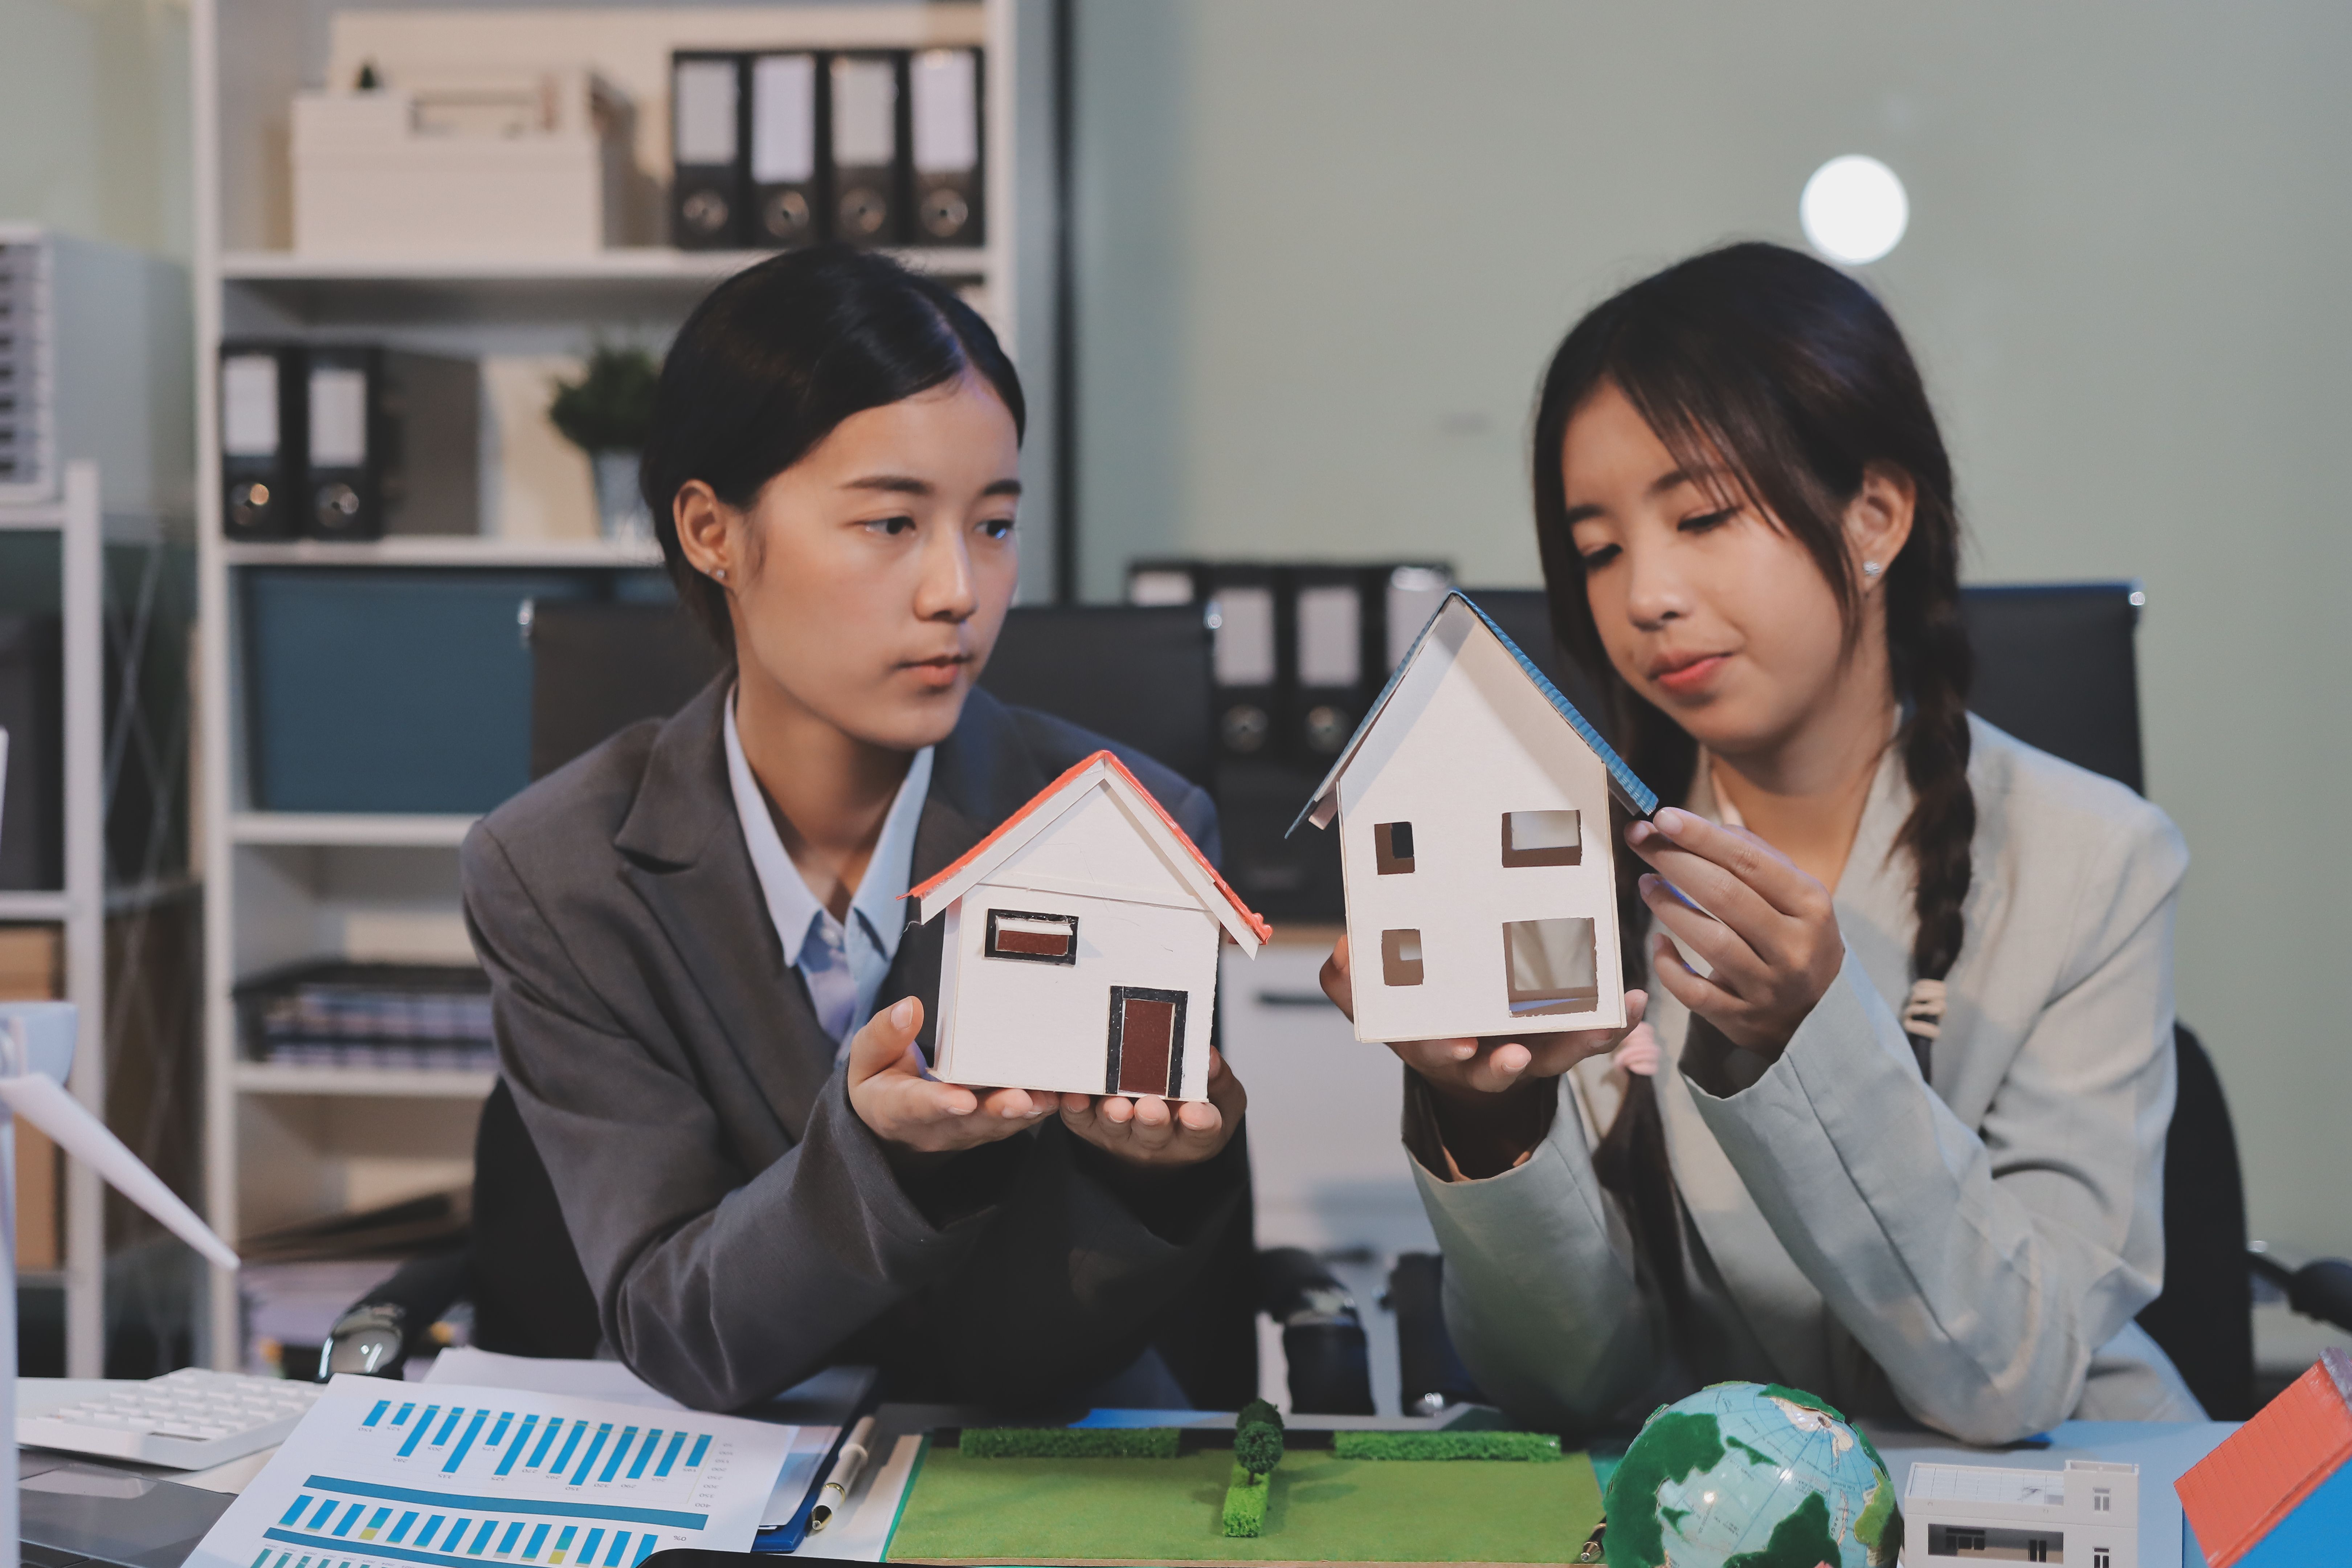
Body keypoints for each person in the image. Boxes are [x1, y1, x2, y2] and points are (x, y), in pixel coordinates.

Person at [1321, 241, 2198, 1444]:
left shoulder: (2096, 860)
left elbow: (2015, 1373)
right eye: (1599, 549)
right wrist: (1485, 1118)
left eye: (1702, 516)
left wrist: (1809, 1033)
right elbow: (1571, 1388)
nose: (1645, 596)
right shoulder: (1561, 858)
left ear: (1877, 515)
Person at [461, 246, 1253, 1413]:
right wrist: (881, 1160)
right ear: (711, 531)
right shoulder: (559, 871)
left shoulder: (1129, 833)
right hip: (727, 1469)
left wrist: (1148, 1185)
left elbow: (1039, 1355)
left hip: (1034, 1454)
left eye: (993, 526)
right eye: (891, 523)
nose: (957, 592)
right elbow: (680, 1329)